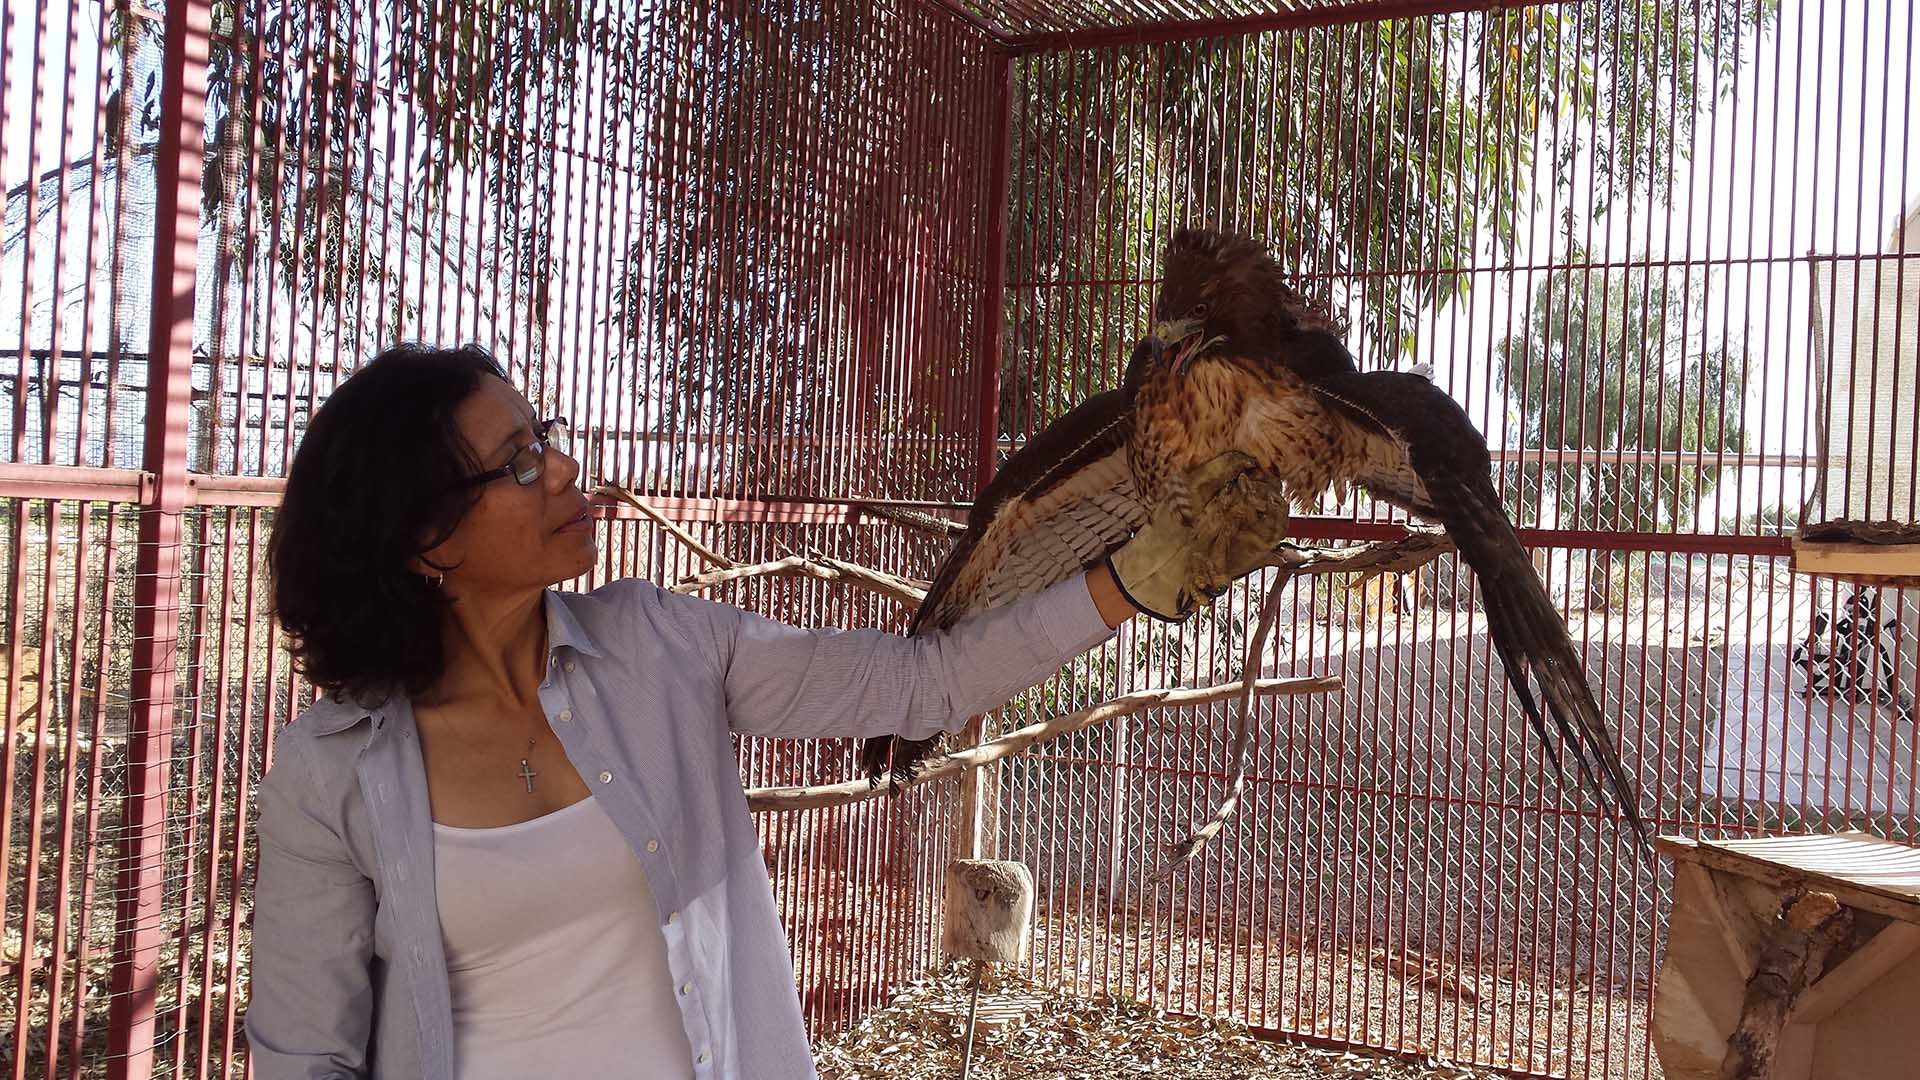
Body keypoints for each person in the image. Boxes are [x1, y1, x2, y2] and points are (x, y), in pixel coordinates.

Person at [243, 341, 1288, 1079]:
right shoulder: (334, 775)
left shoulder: (661, 647)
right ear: (431, 543)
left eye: (546, 435)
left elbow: (921, 685)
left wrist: (1131, 585)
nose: (563, 467)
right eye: (518, 463)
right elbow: (307, 1056)